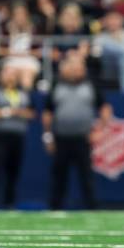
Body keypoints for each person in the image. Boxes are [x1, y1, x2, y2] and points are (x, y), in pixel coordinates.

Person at [42, 57, 109, 210]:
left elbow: (105, 109)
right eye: (71, 68)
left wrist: (100, 131)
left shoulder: (91, 85)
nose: (74, 71)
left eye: (77, 68)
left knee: (86, 175)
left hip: (83, 138)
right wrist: (47, 137)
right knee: (59, 175)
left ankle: (91, 206)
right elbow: (47, 113)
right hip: (61, 137)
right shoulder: (56, 85)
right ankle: (55, 206)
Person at [0, 65, 35, 209]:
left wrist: (20, 112)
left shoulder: (23, 93)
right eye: (7, 73)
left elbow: (31, 113)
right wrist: (8, 112)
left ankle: (9, 203)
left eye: (13, 74)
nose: (10, 77)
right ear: (0, 76)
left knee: (13, 171)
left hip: (17, 136)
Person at [91, 11, 124, 93]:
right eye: (110, 19)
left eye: (116, 19)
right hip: (109, 69)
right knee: (109, 48)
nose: (113, 22)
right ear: (105, 22)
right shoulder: (100, 38)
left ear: (122, 21)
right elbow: (95, 53)